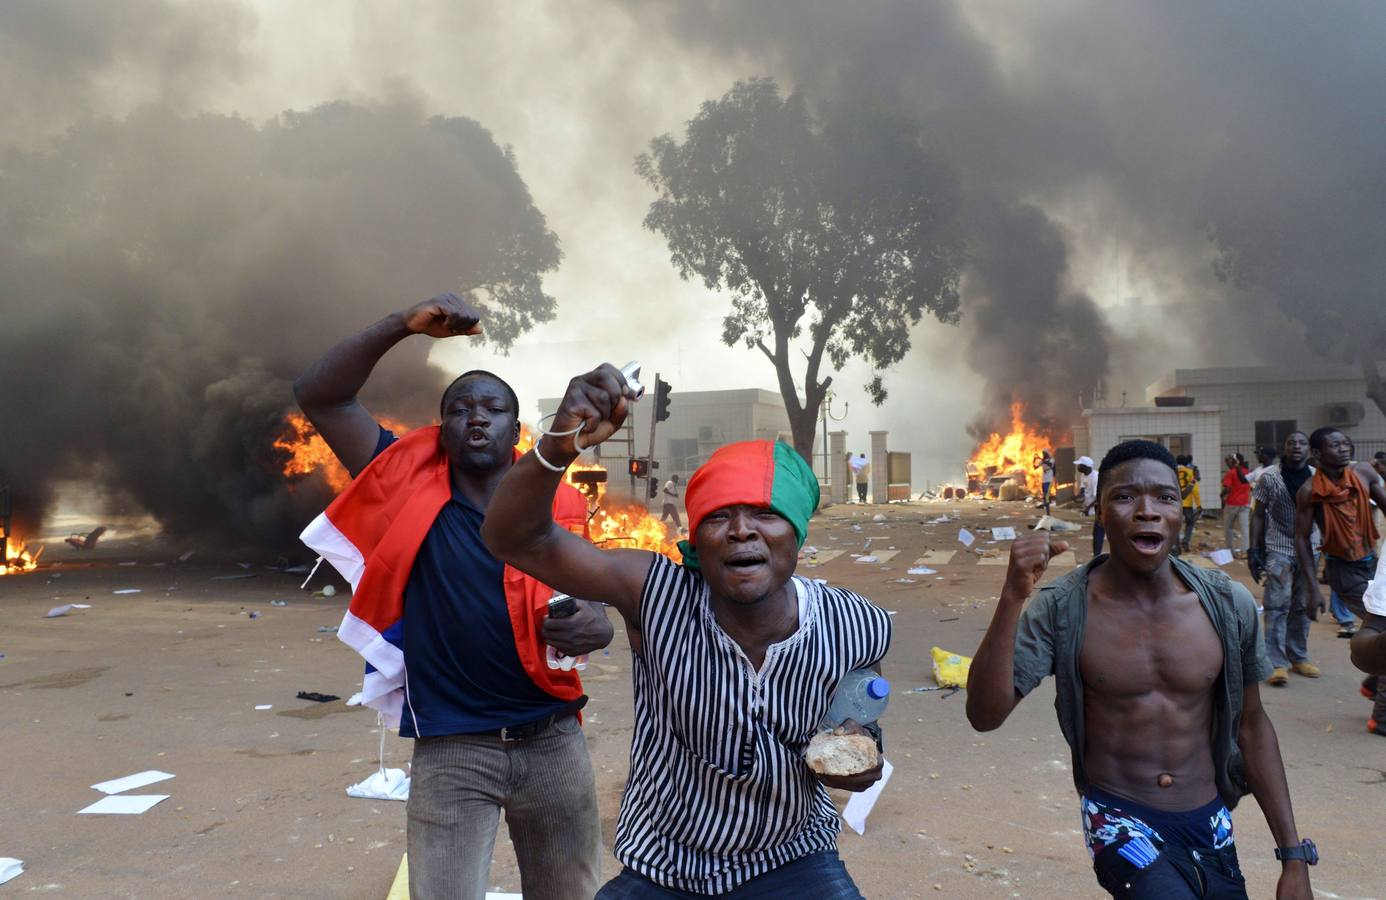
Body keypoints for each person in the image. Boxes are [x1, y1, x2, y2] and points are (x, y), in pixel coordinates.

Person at [482, 364, 892, 898]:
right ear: (698, 538)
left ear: (797, 532)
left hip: (793, 859)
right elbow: (513, 537)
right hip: (664, 864)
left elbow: (858, 722)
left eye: (765, 513)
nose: (742, 529)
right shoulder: (654, 594)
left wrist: (861, 757)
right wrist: (560, 442)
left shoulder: (856, 625)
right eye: (721, 516)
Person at [294, 293, 611, 899]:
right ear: (442, 430)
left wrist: (596, 626)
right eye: (461, 408)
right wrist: (401, 325)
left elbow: (591, 603)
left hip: (551, 741)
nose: (476, 417)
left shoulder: (557, 504)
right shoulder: (401, 477)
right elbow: (321, 395)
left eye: (493, 408)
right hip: (452, 750)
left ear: (516, 431)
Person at [967, 440, 1313, 899]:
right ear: (1100, 513)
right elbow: (985, 715)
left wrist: (1293, 857)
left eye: (1166, 498)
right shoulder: (1063, 608)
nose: (1147, 511)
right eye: (1126, 496)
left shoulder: (1227, 605)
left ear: (1179, 514)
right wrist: (1012, 597)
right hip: (1117, 818)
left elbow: (1252, 725)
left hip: (1208, 818)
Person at [1295, 427, 1386, 735]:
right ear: (1318, 454)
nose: (1344, 449)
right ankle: (1381, 716)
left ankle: (1373, 682)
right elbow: (1302, 540)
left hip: (1373, 564)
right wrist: (1311, 589)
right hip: (1344, 573)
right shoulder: (1309, 490)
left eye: (1346, 443)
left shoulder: (1363, 474)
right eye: (1335, 445)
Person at [1248, 432, 1319, 687]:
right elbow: (1258, 515)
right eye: (1292, 443)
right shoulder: (1270, 477)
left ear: (1309, 449)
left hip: (1311, 548)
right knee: (1277, 605)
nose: (1297, 447)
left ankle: (1298, 656)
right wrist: (1253, 550)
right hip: (1278, 547)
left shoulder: (1317, 476)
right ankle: (1276, 663)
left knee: (1301, 604)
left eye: (1302, 443)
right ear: (1284, 448)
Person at [1221, 455, 1252, 558]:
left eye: (1228, 460)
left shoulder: (1231, 473)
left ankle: (1230, 551)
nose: (1227, 462)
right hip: (1245, 503)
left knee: (1228, 528)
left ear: (1234, 461)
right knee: (1244, 528)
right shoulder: (1248, 472)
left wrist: (1221, 495)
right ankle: (1245, 551)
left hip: (1232, 503)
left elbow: (1227, 489)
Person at [1076, 455, 1101, 555]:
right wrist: (1078, 495)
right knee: (1097, 532)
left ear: (1086, 466)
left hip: (1099, 506)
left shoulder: (1095, 477)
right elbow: (1083, 488)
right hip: (1091, 505)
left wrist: (1087, 508)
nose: (1078, 467)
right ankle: (1096, 554)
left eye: (1080, 465)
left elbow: (1098, 497)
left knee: (1098, 532)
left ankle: (1097, 555)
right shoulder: (1084, 475)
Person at [1176, 455, 1201, 554]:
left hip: (1176, 503)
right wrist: (1199, 504)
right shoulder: (1190, 472)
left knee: (1176, 524)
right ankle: (1185, 543)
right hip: (1187, 504)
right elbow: (1195, 490)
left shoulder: (1173, 472)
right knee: (1190, 523)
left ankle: (1176, 545)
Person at [1036, 449, 1056, 514]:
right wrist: (1034, 460)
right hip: (1044, 480)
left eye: (1044, 453)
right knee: (1044, 496)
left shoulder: (1051, 460)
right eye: (1043, 454)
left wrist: (1043, 461)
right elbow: (1035, 467)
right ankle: (1046, 508)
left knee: (1047, 496)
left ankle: (1048, 513)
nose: (1043, 455)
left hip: (1049, 480)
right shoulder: (1042, 461)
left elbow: (1050, 465)